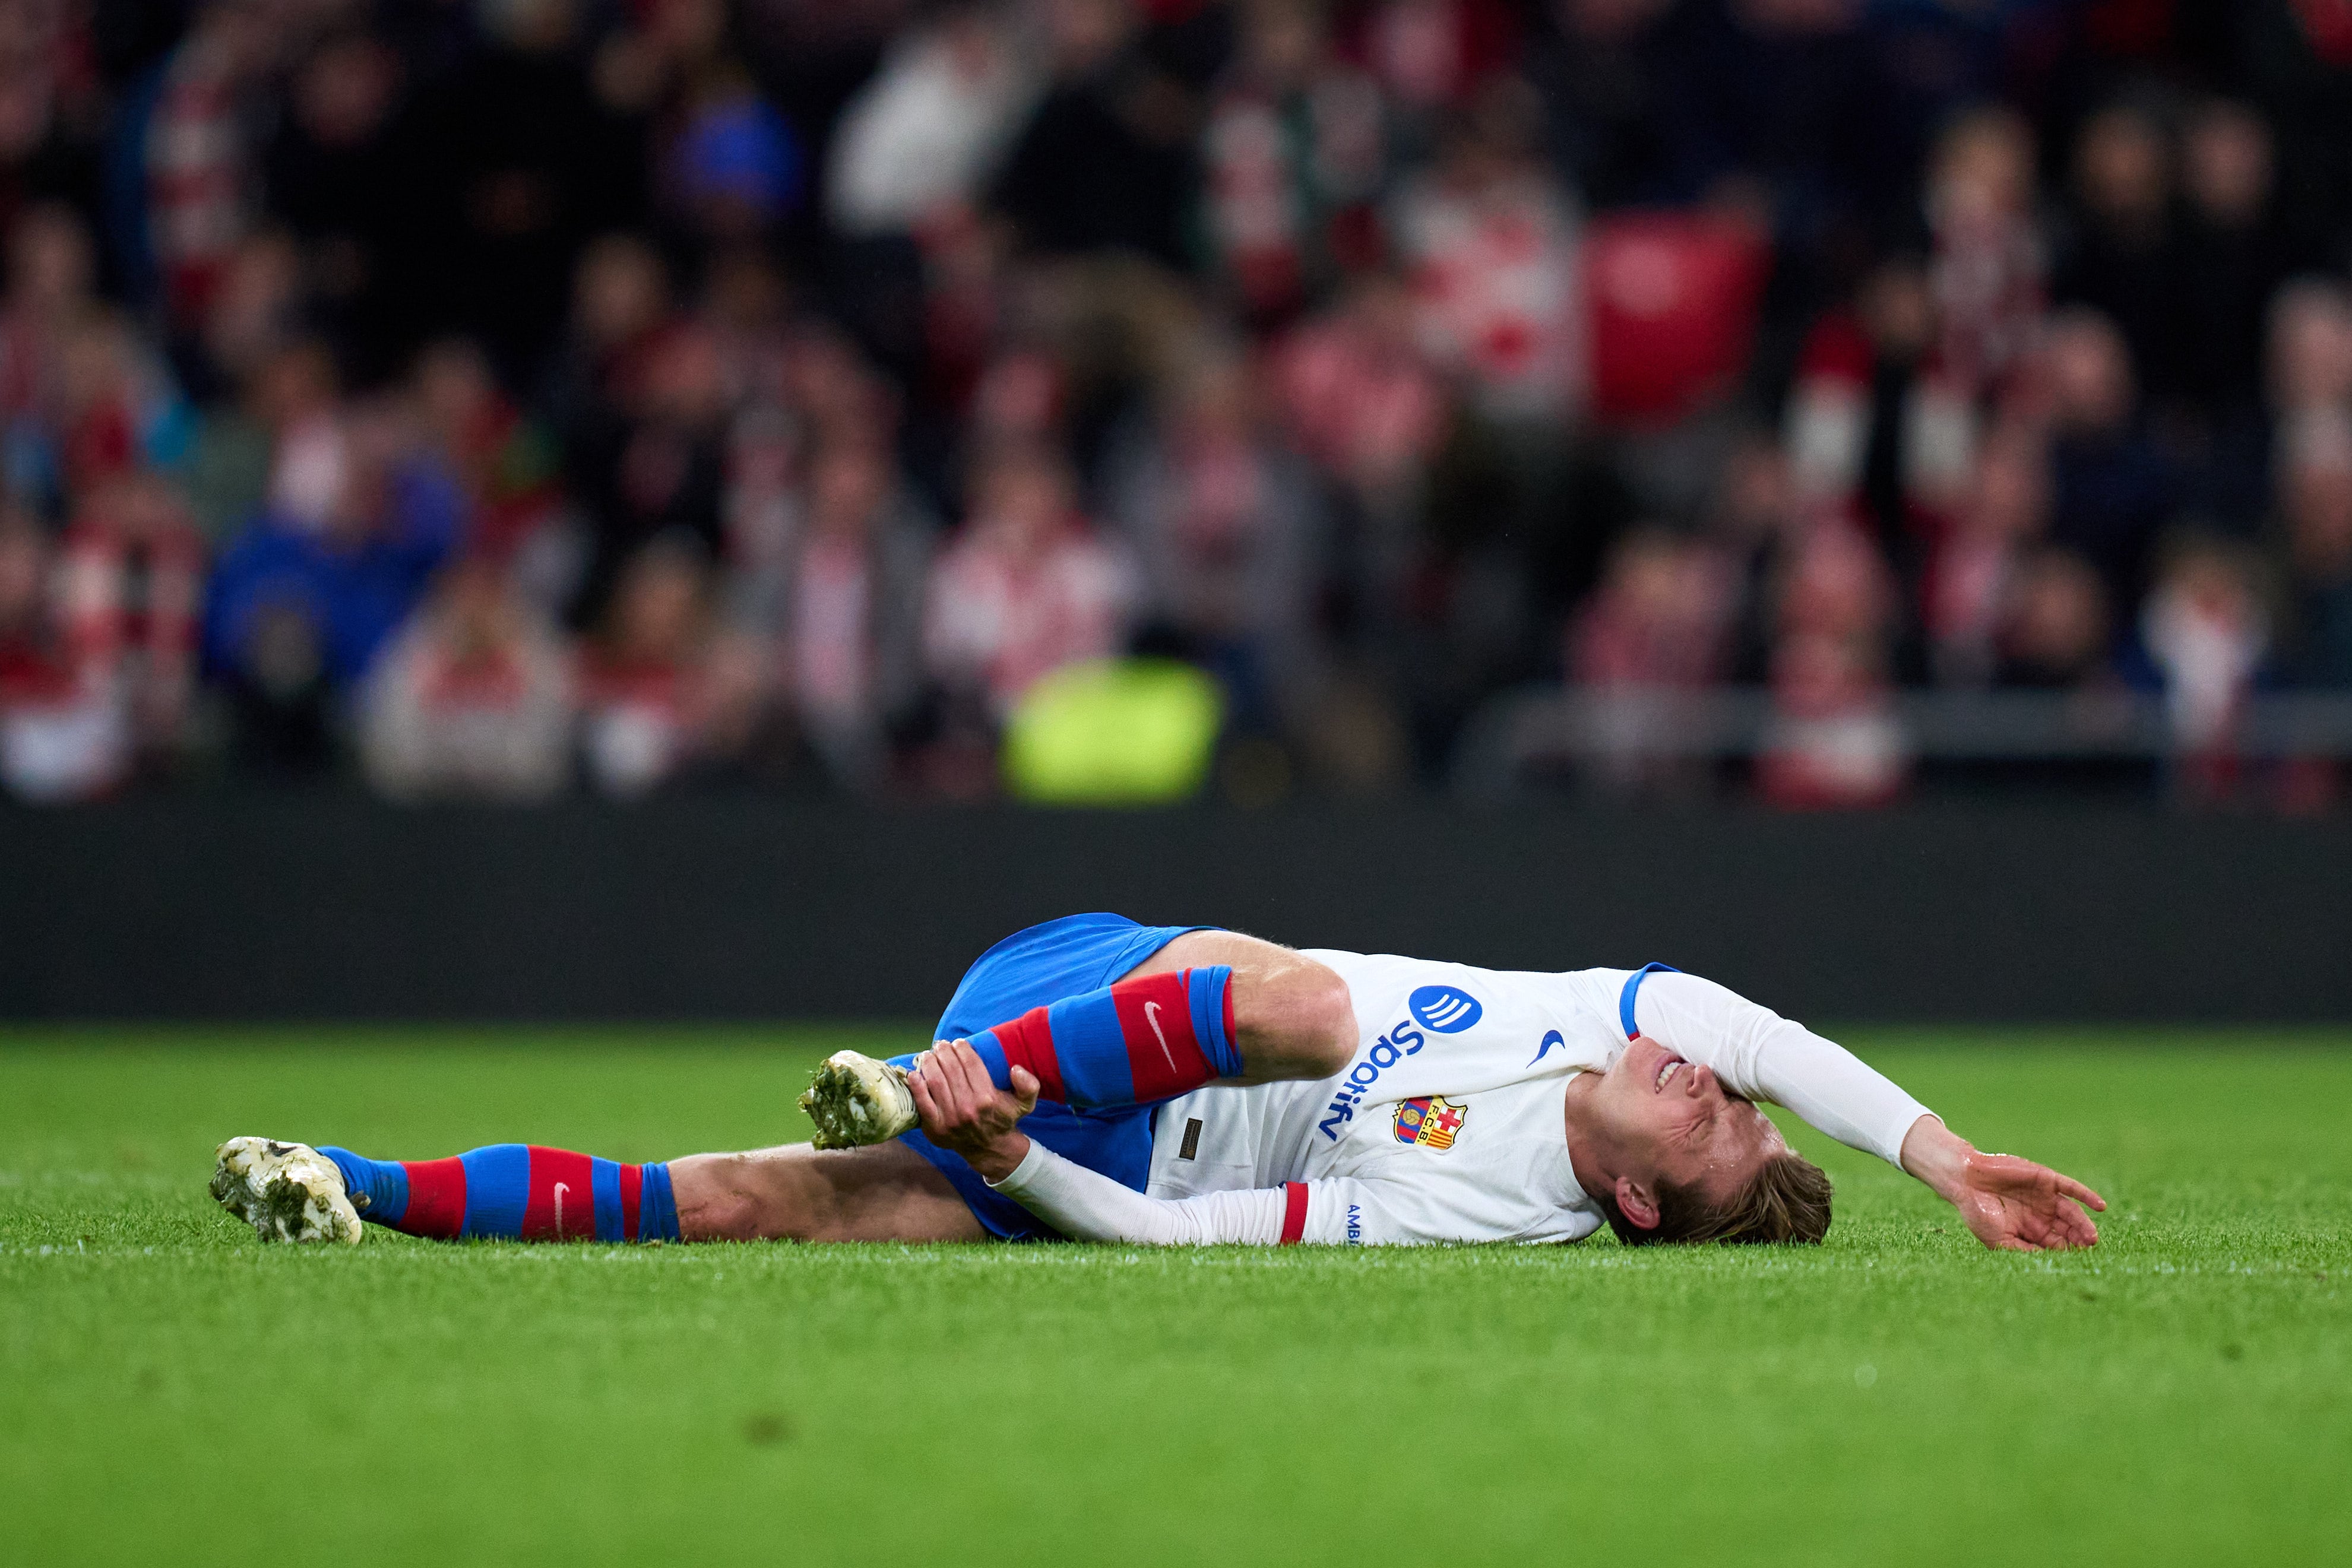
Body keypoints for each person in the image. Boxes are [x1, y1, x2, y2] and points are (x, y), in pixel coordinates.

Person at [211, 914, 2103, 1254]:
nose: (1706, 1078)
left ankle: (345, 1187)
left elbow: (1162, 1227)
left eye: (1714, 1124)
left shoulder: (1470, 1217)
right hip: (1089, 982)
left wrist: (1012, 1142)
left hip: (1054, 1114)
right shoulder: (1600, 1007)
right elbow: (1771, 1032)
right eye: (1725, 1089)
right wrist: (1939, 1161)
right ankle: (922, 1077)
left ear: (1630, 1199)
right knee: (1298, 1002)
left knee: (743, 1202)